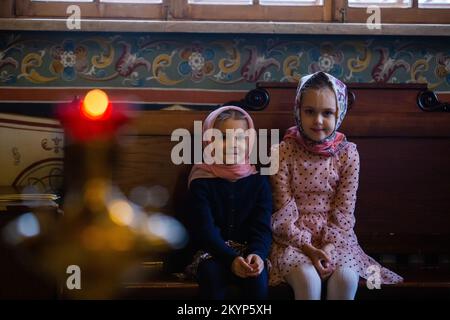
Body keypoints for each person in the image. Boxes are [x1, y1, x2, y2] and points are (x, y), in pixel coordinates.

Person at [269, 71, 403, 300]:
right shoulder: (280, 152)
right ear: (298, 110)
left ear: (339, 113)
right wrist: (310, 249)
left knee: (346, 278)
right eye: (310, 111)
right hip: (293, 241)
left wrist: (329, 248)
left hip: (338, 240)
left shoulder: (348, 154)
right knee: (307, 279)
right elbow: (282, 215)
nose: (318, 120)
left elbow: (343, 211)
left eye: (327, 113)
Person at [185, 105, 272, 299]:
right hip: (211, 252)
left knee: (258, 282)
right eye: (223, 137)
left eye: (240, 138)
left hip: (248, 251)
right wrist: (231, 259)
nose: (232, 144)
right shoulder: (201, 181)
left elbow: (262, 227)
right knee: (212, 278)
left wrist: (257, 253)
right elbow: (204, 230)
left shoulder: (258, 182)